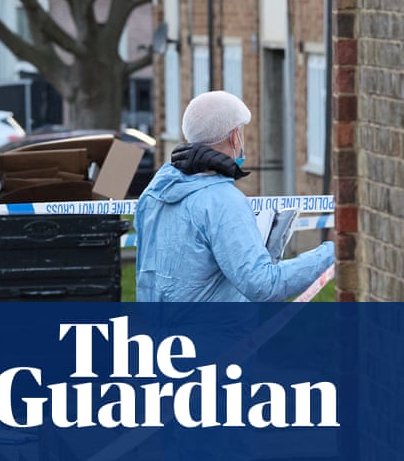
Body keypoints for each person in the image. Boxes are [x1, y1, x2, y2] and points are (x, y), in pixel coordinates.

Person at [135, 90, 335, 302]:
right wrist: (331, 253)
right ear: (234, 136)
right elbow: (263, 284)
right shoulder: (223, 201)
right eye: (241, 133)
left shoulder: (155, 190)